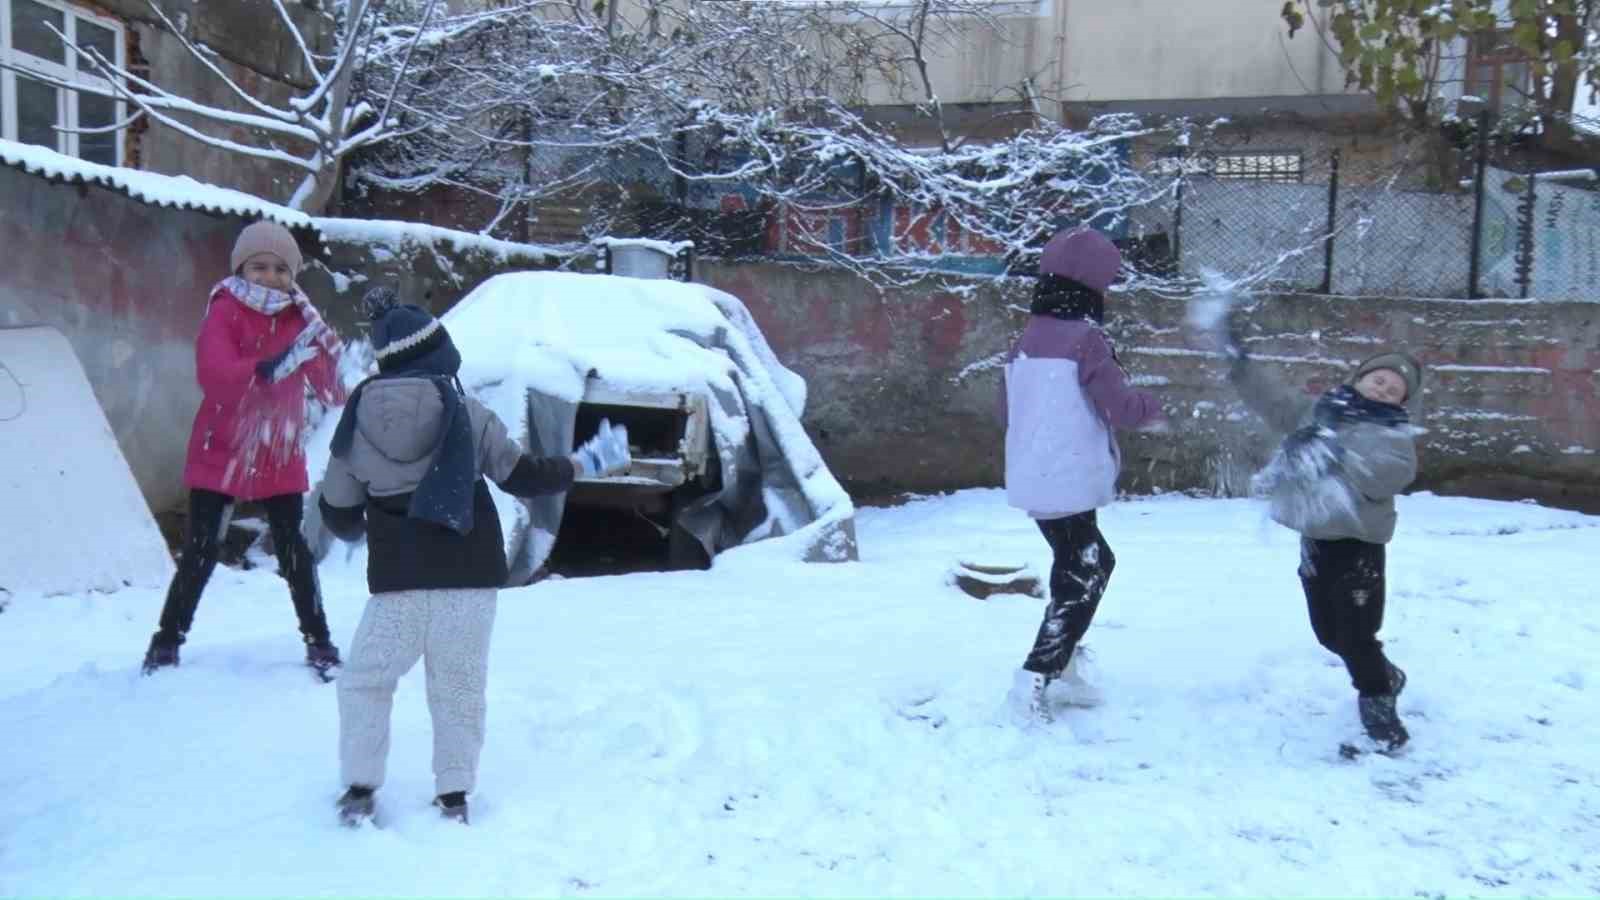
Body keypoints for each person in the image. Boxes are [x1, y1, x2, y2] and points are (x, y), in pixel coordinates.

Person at [320, 288, 632, 827]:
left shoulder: (355, 420)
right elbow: (523, 477)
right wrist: (583, 462)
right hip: (468, 579)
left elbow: (339, 513)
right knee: (458, 686)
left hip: (397, 582)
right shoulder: (466, 412)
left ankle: (360, 788)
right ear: (439, 357)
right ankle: (455, 795)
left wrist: (370, 504)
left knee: (366, 681)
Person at [142, 220, 345, 678]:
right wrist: (270, 367)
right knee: (200, 549)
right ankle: (166, 641)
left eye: (280, 269)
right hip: (225, 444)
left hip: (277, 446)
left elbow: (333, 393)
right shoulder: (226, 309)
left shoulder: (301, 317)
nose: (270, 276)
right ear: (241, 268)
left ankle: (319, 640)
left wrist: (327, 355)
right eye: (259, 267)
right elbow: (214, 374)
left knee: (294, 549)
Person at [1223, 333, 1423, 753]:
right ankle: (1387, 676)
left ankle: (1380, 714)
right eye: (1378, 379)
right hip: (1315, 540)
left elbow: (1390, 476)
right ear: (1361, 378)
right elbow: (1273, 402)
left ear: (1401, 401)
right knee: (1328, 634)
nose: (1383, 388)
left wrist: (1338, 453)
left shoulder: (1393, 434)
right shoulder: (1320, 412)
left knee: (1357, 636)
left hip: (1359, 546)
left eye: (1393, 388)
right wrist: (1241, 365)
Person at [1002, 228, 1165, 723]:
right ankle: (1036, 675)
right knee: (1089, 569)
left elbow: (1003, 409)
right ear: (1095, 288)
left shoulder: (1024, 340)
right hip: (1068, 477)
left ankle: (1066, 662)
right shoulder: (1087, 341)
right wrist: (1153, 408)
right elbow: (1120, 406)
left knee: (1079, 564)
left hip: (1033, 474)